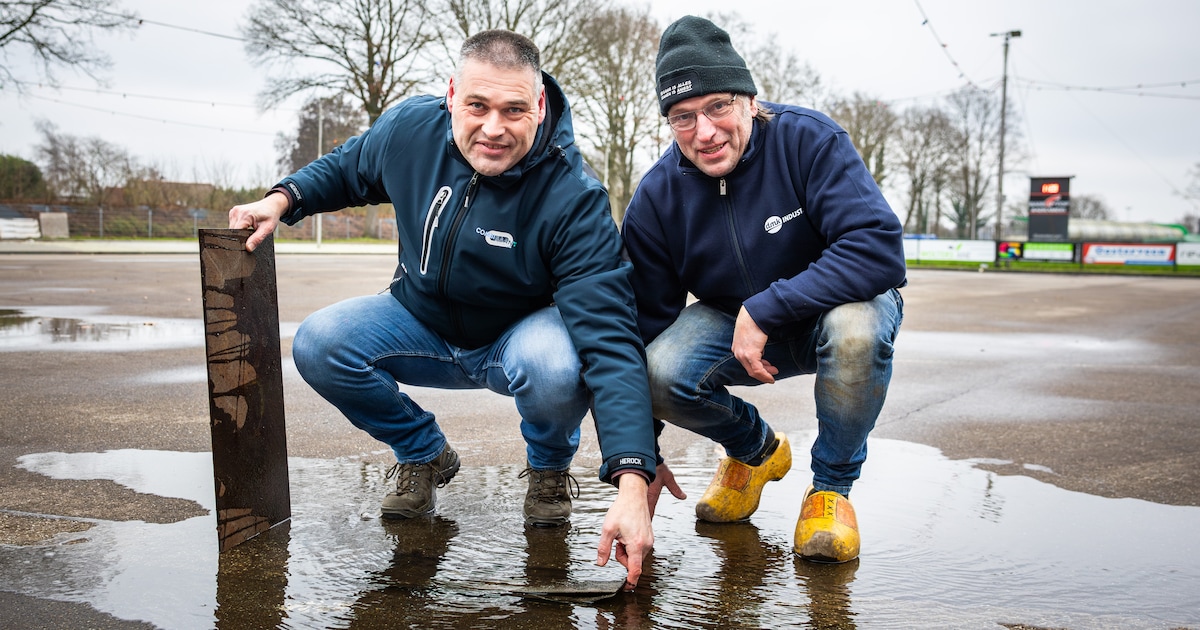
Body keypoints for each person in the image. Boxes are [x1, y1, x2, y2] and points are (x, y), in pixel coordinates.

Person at [228, 29, 657, 586]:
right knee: (319, 342)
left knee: (558, 364)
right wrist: (282, 200)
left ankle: (549, 470)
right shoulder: (412, 129)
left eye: (514, 109)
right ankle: (423, 452)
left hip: (517, 341)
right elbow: (348, 167)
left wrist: (630, 480)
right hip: (420, 322)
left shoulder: (574, 198)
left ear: (540, 105)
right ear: (451, 94)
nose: (493, 128)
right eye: (477, 106)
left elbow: (609, 339)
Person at [623, 15, 906, 564]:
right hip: (732, 322)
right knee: (658, 370)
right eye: (683, 117)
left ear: (749, 100)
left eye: (718, 107)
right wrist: (640, 458)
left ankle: (831, 490)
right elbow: (642, 325)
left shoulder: (810, 140)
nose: (704, 131)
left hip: (835, 308)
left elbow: (877, 249)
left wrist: (770, 305)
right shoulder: (658, 197)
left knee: (856, 330)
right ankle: (756, 452)